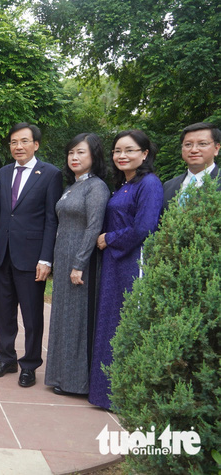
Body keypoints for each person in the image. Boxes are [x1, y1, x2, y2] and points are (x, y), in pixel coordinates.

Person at [89, 129, 164, 409]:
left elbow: (145, 227)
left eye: (129, 150)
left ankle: (127, 397)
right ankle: (104, 393)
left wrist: (110, 238)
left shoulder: (150, 184)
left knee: (128, 324)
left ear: (144, 154)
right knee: (111, 323)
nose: (122, 155)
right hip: (114, 263)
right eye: (117, 151)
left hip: (134, 262)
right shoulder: (124, 185)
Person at [0, 123, 63, 388]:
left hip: (32, 258)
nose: (18, 147)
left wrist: (46, 259)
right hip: (4, 255)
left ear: (36, 145)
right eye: (13, 142)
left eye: (24, 141)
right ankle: (6, 359)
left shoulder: (51, 174)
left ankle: (29, 365)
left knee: (32, 315)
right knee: (2, 313)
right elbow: (2, 215)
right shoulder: (2, 173)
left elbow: (51, 220)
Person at [44, 133, 110, 396]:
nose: (74, 157)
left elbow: (94, 226)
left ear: (94, 155)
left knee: (77, 321)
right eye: (71, 153)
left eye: (81, 152)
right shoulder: (72, 186)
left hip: (80, 262)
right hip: (63, 259)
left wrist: (79, 262)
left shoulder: (97, 187)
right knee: (63, 319)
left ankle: (77, 383)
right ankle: (60, 376)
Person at [163, 122, 220, 209]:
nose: (194, 150)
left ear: (216, 148)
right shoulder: (168, 186)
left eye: (202, 144)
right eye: (188, 144)